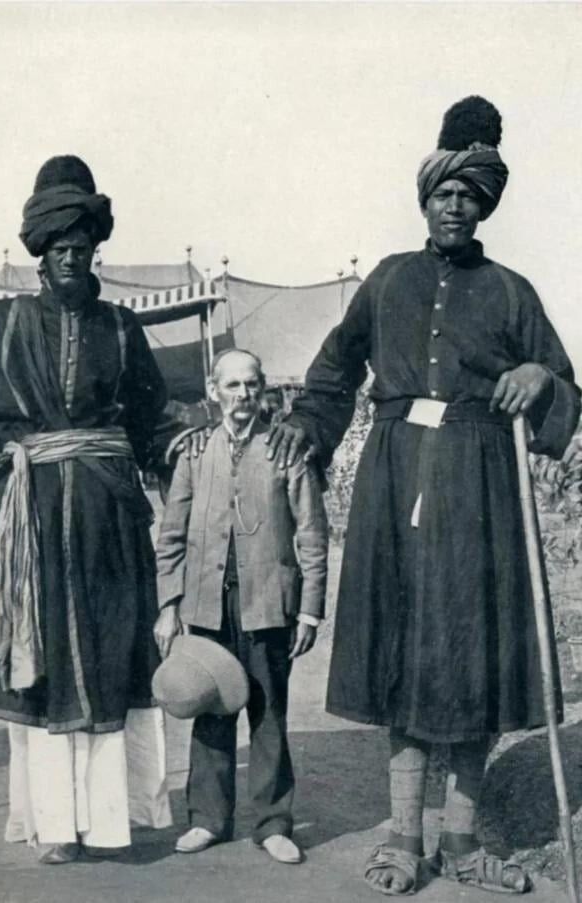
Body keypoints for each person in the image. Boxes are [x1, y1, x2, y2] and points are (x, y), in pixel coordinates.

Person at [265, 97, 581, 894]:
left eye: (469, 196)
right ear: (425, 197)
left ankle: (465, 842)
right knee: (406, 655)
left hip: (481, 487)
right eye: (444, 192)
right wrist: (307, 423)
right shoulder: (387, 282)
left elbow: (564, 386)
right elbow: (334, 371)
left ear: (485, 206)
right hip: (397, 477)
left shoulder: (511, 291)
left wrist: (538, 377)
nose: (455, 206)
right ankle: (405, 838)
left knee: (474, 657)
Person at [0, 155, 184, 863]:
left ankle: (111, 822)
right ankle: (54, 825)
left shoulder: (121, 328)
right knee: (42, 666)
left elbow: (153, 422)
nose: (72, 257)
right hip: (34, 520)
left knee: (112, 657)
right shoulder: (0, 324)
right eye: (60, 248)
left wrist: (190, 461)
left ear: (94, 250)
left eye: (82, 246)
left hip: (110, 521)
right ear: (40, 256)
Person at [154, 348, 328, 864]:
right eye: (232, 386)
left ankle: (273, 824)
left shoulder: (287, 451)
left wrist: (309, 610)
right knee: (210, 709)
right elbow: (171, 536)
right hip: (206, 605)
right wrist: (169, 604)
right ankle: (207, 819)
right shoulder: (194, 452)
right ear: (214, 391)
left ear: (264, 389)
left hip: (268, 604)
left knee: (268, 714)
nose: (243, 396)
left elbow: (313, 535)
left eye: (251, 385)